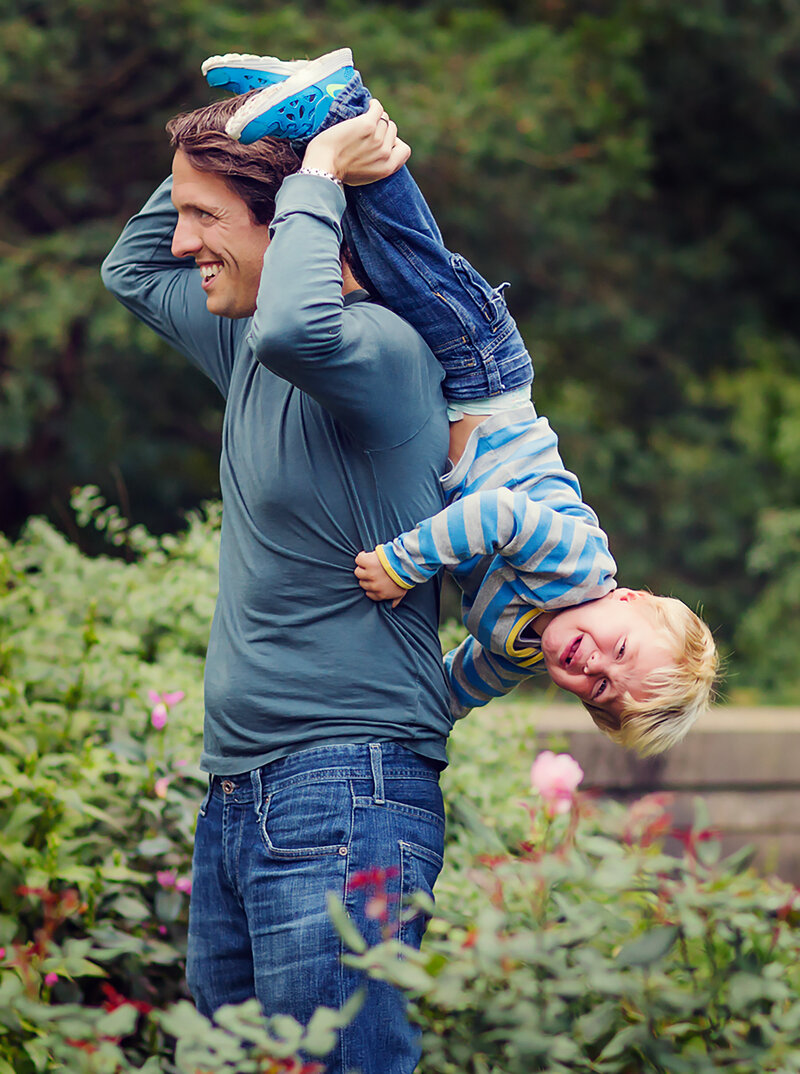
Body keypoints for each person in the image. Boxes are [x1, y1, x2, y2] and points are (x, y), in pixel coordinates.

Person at [202, 49, 719, 756]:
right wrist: (405, 564)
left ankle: (295, 120)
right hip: (482, 372)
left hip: (441, 392)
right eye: (620, 652)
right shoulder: (578, 565)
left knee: (371, 253)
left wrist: (407, 726)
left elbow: (448, 690)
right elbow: (495, 514)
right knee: (408, 255)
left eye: (602, 691)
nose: (593, 666)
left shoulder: (515, 652)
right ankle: (344, 104)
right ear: (626, 602)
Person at [101, 86, 457, 1074]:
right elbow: (126, 269)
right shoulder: (248, 340)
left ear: (294, 220)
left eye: (204, 218)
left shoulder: (376, 351)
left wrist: (313, 173)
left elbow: (302, 328)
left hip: (351, 797)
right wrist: (254, 123)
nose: (180, 242)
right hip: (242, 796)